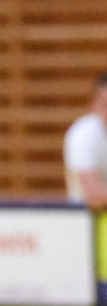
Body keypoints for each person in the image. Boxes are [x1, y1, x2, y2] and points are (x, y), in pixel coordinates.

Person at [64, 72, 107, 210]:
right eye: (105, 105)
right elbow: (95, 196)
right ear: (92, 105)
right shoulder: (83, 135)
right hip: (87, 222)